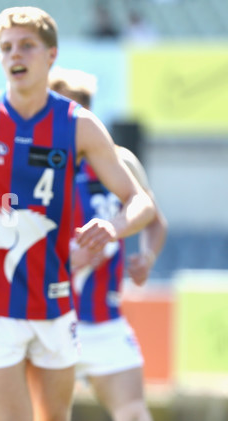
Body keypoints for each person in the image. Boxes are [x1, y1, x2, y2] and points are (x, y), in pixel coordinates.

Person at [0, 7, 155, 421]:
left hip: (56, 296)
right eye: (6, 48)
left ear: (51, 54)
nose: (15, 55)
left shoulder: (78, 124)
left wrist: (113, 227)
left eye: (27, 45)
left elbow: (142, 203)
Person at [51, 67, 167, 421]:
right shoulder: (37, 165)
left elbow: (155, 221)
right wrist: (71, 260)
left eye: (81, 111)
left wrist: (146, 256)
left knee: (133, 412)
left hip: (105, 321)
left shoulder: (119, 162)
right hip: (50, 321)